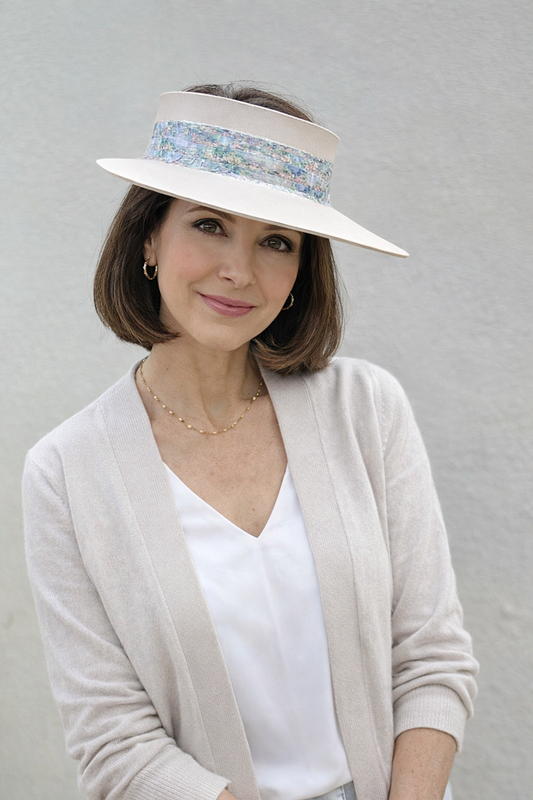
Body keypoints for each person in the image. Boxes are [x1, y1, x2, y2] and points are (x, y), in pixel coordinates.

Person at [23, 84, 478, 800]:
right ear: (148, 238)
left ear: (300, 271)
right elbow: (115, 742)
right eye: (209, 225)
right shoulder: (65, 472)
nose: (239, 270)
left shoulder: (366, 409)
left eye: (275, 240)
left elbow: (431, 659)